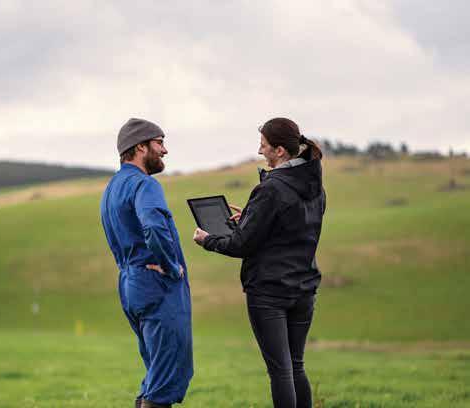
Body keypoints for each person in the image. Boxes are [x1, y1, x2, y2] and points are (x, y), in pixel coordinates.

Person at [193, 117, 325, 408]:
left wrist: (208, 240)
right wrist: (252, 218)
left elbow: (241, 244)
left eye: (263, 145)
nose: (259, 151)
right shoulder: (314, 185)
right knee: (296, 365)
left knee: (280, 371)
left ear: (279, 150)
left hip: (269, 291)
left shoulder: (271, 188)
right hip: (304, 289)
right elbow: (291, 227)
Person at [101, 118, 193, 408]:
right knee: (167, 374)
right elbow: (153, 226)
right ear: (140, 147)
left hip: (131, 283)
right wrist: (170, 266)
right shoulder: (145, 184)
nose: (165, 151)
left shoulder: (112, 188)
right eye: (159, 143)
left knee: (156, 370)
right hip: (157, 283)